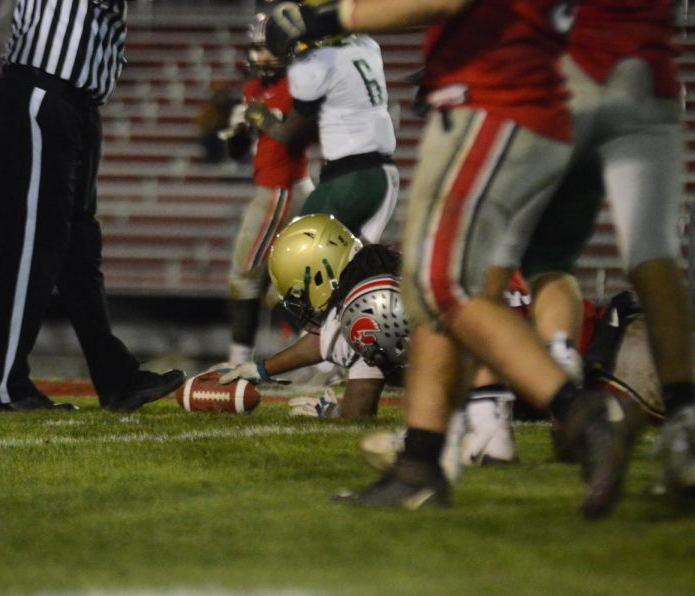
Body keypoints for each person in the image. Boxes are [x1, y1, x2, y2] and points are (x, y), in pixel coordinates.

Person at [265, 0, 643, 518]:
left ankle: (579, 415)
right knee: (513, 271)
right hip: (584, 90)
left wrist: (331, 17)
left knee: (436, 281)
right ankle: (466, 439)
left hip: (509, 97)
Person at [490, 0, 695, 494]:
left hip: (562, 78)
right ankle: (687, 429)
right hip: (649, 78)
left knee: (482, 258)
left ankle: (483, 425)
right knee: (654, 256)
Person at [0, 0, 185, 412]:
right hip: (44, 89)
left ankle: (115, 379)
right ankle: (5, 385)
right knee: (35, 245)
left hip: (75, 102)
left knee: (78, 250)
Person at [220, 214, 409, 419]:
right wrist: (261, 370)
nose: (301, 302)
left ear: (319, 276)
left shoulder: (365, 308)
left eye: (299, 293)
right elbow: (357, 411)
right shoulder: (365, 292)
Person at [246, 13, 399, 244]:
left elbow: (287, 134)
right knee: (353, 261)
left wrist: (265, 120)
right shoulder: (366, 46)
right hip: (380, 171)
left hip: (351, 175)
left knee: (302, 256)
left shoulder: (317, 63)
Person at [220, 10, 316, 366]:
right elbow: (237, 151)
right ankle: (319, 357)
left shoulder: (297, 85)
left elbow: (298, 135)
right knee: (280, 286)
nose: (260, 56)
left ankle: (239, 361)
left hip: (282, 188)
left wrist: (263, 120)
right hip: (275, 186)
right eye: (256, 48)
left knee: (245, 278)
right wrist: (238, 132)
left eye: (268, 48)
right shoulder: (252, 89)